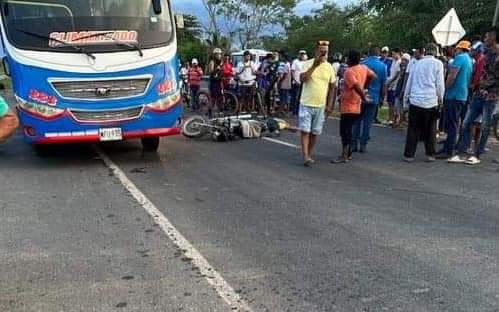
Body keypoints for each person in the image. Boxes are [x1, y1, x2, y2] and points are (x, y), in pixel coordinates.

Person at [456, 27, 499, 165]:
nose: (485, 39)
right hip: (478, 94)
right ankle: (461, 152)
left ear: (493, 37)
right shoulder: (484, 53)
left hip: (491, 96)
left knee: (485, 126)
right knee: (466, 122)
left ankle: (477, 154)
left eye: (487, 37)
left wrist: (485, 84)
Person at [403, 43, 445, 162]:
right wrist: (441, 99)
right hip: (430, 101)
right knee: (430, 130)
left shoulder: (416, 63)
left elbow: (409, 82)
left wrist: (406, 100)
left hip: (415, 100)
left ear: (425, 51)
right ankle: (430, 154)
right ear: (436, 52)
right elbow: (440, 84)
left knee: (413, 129)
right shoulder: (438, 64)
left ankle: (409, 155)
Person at [298, 40, 337, 167]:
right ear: (316, 51)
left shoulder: (329, 67)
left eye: (326, 52)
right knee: (305, 131)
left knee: (315, 132)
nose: (324, 54)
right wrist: (315, 64)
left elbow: (332, 87)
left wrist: (330, 104)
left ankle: (309, 154)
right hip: (306, 103)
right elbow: (303, 79)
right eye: (321, 51)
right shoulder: (307, 64)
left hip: (320, 105)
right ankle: (305, 157)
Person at [333, 49, 375, 163]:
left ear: (350, 59)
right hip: (357, 105)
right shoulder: (363, 68)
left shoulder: (349, 71)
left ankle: (344, 155)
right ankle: (348, 153)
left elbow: (355, 85)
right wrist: (365, 87)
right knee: (350, 130)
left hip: (348, 104)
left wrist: (363, 95)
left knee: (345, 131)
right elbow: (373, 76)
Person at [436, 41, 473, 161]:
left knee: (451, 124)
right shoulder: (469, 59)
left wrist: (444, 89)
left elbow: (452, 76)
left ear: (459, 49)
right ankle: (448, 147)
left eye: (456, 49)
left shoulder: (459, 58)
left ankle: (448, 150)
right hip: (462, 95)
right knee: (454, 122)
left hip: (453, 95)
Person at [352, 46, 387, 153]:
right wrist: (382, 98)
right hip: (374, 97)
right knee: (368, 122)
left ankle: (354, 143)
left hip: (361, 95)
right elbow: (383, 84)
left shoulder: (362, 63)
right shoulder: (382, 66)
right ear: (378, 53)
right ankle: (363, 144)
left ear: (369, 53)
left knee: (357, 120)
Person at [385, 48, 402, 125]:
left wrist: (391, 82)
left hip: (395, 85)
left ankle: (394, 119)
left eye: (394, 54)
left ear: (398, 53)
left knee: (393, 103)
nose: (392, 55)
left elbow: (397, 75)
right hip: (390, 84)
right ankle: (389, 118)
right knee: (389, 102)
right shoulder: (393, 61)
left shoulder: (399, 62)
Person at [394, 53, 411, 125]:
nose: (402, 62)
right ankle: (397, 120)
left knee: (402, 107)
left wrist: (403, 91)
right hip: (398, 89)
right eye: (402, 60)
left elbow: (405, 82)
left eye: (404, 60)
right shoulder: (402, 69)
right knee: (396, 106)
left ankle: (401, 121)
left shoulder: (408, 71)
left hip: (403, 90)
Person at [207, 48, 224, 116]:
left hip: (219, 81)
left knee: (220, 97)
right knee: (213, 98)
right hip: (213, 82)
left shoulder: (220, 62)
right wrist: (216, 69)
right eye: (218, 54)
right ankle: (210, 111)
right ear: (215, 55)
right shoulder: (212, 62)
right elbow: (210, 72)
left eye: (220, 54)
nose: (219, 55)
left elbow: (221, 71)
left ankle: (220, 111)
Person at [291, 50, 307, 116]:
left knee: (301, 97)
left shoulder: (305, 62)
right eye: (301, 54)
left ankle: (299, 110)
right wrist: (295, 80)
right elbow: (292, 71)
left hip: (303, 82)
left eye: (303, 54)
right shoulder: (295, 61)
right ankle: (294, 111)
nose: (302, 55)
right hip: (296, 81)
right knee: (295, 97)